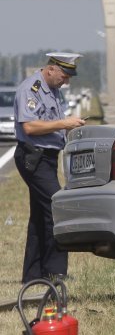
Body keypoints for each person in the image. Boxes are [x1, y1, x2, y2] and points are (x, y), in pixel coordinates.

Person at [14, 52, 85, 283]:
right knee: (57, 208)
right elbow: (30, 128)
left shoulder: (53, 90)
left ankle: (34, 274)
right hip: (34, 157)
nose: (66, 81)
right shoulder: (31, 89)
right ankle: (55, 273)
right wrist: (64, 123)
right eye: (63, 76)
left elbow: (50, 125)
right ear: (51, 68)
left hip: (48, 158)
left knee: (39, 217)